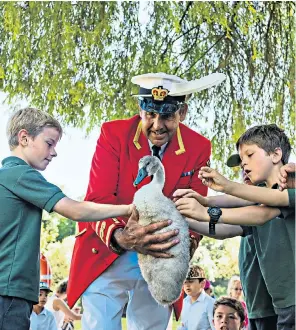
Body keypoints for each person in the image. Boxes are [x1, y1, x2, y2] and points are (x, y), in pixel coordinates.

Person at [67, 72, 226, 329]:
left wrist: (182, 248)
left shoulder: (199, 147)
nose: (156, 124)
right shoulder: (113, 134)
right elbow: (97, 197)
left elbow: (195, 207)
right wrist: (120, 235)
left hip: (160, 255)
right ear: (140, 109)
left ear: (182, 112)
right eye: (149, 113)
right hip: (108, 249)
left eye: (167, 115)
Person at [0, 108, 135, 330]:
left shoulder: (5, 177)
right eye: (49, 143)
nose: (54, 153)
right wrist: (127, 209)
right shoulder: (21, 175)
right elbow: (76, 210)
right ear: (24, 138)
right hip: (9, 290)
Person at [174, 124, 295, 330]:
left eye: (249, 155)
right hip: (277, 303)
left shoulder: (289, 189)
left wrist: (213, 201)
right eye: (241, 159)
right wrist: (184, 215)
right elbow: (226, 224)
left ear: (276, 155)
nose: (244, 164)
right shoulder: (259, 200)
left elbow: (260, 211)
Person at [178, 265, 215, 330]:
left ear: (202, 283)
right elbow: (184, 326)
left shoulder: (211, 304)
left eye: (191, 281)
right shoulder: (184, 302)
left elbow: (214, 328)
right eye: (185, 282)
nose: (187, 285)